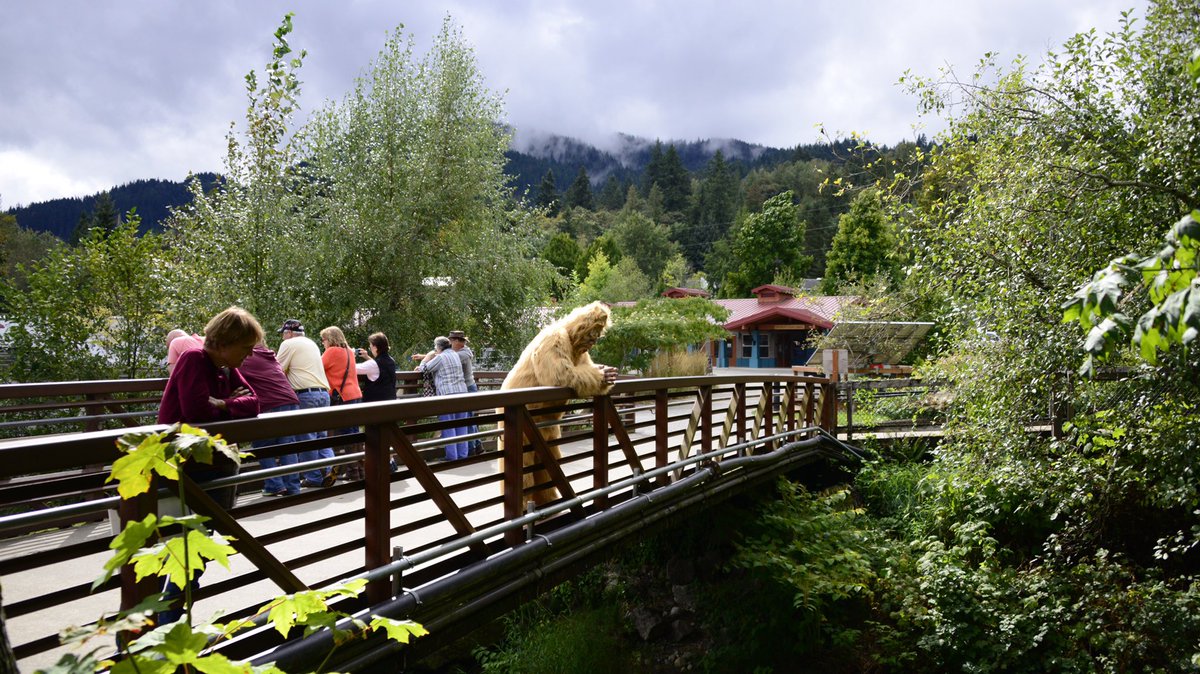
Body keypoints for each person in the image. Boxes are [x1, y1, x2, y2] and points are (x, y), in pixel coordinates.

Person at [156, 306, 263, 624]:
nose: (248, 355)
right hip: (186, 468)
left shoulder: (225, 369)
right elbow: (196, 411)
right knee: (190, 547)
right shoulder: (194, 360)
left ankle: (165, 619)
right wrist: (230, 404)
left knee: (199, 544)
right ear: (225, 341)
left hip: (213, 465)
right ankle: (162, 621)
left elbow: (254, 402)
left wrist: (224, 403)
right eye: (245, 348)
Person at [276, 319, 334, 488]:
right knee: (321, 436)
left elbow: (277, 370)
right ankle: (329, 467)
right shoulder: (312, 343)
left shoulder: (289, 344)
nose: (282, 338)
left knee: (306, 438)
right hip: (324, 394)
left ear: (289, 333)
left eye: (283, 334)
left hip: (305, 395)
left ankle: (314, 477)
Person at [239, 341, 302, 496]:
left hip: (270, 404)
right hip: (290, 401)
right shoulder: (269, 356)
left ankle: (275, 485)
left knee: (262, 447)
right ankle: (293, 488)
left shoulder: (245, 358)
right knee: (287, 445)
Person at [415, 336, 469, 461]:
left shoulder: (441, 357)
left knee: (448, 425)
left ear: (439, 347)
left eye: (435, 347)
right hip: (462, 392)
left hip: (447, 395)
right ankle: (462, 456)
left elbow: (425, 369)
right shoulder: (455, 355)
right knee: (462, 425)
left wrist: (425, 360)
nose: (435, 349)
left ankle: (452, 457)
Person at [448, 330, 482, 455]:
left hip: (468, 388)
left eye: (451, 340)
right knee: (469, 418)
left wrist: (428, 357)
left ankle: (471, 448)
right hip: (467, 387)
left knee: (468, 418)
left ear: (457, 341)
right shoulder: (460, 352)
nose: (450, 343)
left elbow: (447, 358)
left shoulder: (463, 354)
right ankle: (477, 445)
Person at [357, 332, 397, 403]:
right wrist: (367, 357)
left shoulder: (374, 364)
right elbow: (378, 366)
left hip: (374, 405)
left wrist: (350, 354)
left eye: (370, 347)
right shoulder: (391, 361)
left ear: (375, 347)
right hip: (390, 401)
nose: (370, 349)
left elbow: (352, 368)